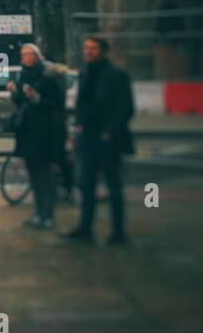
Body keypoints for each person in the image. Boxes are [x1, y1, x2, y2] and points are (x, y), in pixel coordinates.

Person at [67, 36, 135, 245]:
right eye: (86, 48)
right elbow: (81, 104)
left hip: (107, 138)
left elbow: (126, 108)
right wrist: (78, 126)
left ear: (103, 51)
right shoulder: (85, 72)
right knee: (86, 184)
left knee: (113, 185)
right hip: (87, 136)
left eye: (94, 48)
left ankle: (118, 232)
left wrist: (109, 131)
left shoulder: (116, 75)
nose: (88, 52)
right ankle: (85, 228)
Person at [8, 43, 65, 229]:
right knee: (34, 174)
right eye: (23, 55)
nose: (25, 58)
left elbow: (57, 103)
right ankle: (39, 212)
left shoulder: (47, 75)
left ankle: (47, 214)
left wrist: (36, 98)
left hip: (45, 131)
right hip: (27, 131)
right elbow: (21, 103)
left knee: (44, 175)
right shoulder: (23, 74)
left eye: (29, 54)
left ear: (37, 56)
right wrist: (15, 93)